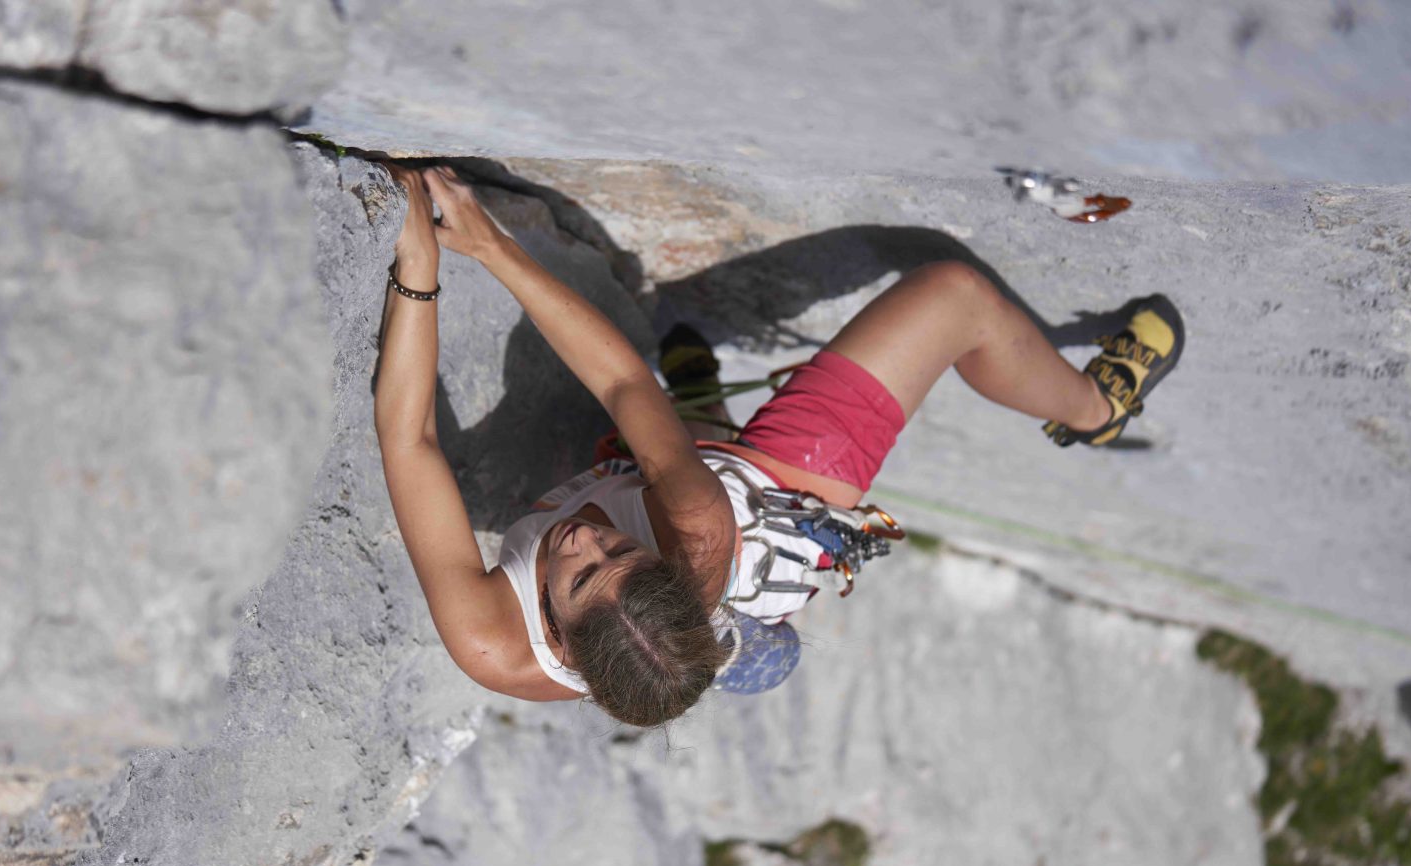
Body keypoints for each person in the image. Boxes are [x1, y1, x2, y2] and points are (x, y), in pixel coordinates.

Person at [373, 164, 1184, 727]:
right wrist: (494, 248)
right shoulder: (696, 528)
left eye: (592, 562)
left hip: (678, 484)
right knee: (956, 297)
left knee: (657, 442)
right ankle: (1094, 408)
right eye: (607, 552)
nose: (585, 535)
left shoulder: (490, 637)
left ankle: (699, 432)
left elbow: (409, 440)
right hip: (763, 503)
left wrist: (429, 262)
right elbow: (621, 383)